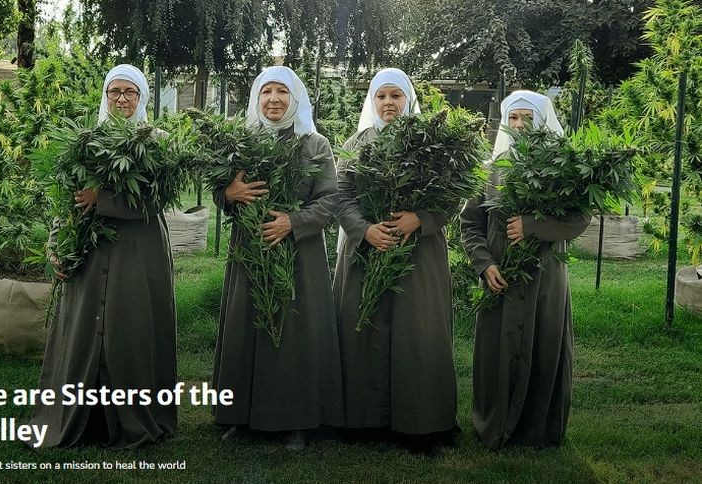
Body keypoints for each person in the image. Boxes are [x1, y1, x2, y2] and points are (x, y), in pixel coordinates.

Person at [29, 64, 177, 449]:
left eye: (130, 92)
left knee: (132, 328)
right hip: (90, 251)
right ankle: (87, 419)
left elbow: (155, 197)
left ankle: (132, 420)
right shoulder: (86, 140)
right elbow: (67, 200)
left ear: (142, 98)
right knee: (84, 330)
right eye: (115, 92)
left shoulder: (157, 141)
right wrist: (57, 245)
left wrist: (103, 199)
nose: (122, 99)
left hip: (139, 251)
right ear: (105, 96)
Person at [212, 66, 344, 451]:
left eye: (281, 92)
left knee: (295, 333)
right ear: (256, 98)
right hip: (250, 251)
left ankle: (297, 421)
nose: (273, 99)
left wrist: (293, 222)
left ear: (295, 99)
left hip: (299, 255)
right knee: (245, 327)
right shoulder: (241, 142)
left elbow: (331, 199)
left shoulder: (315, 144)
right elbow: (223, 190)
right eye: (266, 91)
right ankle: (240, 416)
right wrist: (228, 195)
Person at [333, 68, 459, 454]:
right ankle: (363, 420)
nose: (389, 104)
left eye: (396, 96)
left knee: (417, 334)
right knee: (362, 328)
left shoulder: (432, 145)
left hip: (418, 254)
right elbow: (340, 193)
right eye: (382, 96)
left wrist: (419, 219)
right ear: (372, 101)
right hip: (366, 252)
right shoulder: (356, 144)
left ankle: (421, 424)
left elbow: (454, 193)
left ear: (409, 100)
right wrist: (364, 229)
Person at [460, 90, 590, 449]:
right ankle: (494, 421)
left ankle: (537, 427)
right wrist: (484, 264)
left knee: (542, 341)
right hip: (499, 277)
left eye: (527, 118)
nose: (518, 126)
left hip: (543, 278)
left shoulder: (561, 167)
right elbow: (469, 223)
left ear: (542, 122)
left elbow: (579, 217)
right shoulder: (491, 169)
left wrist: (533, 225)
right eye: (512, 119)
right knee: (497, 351)